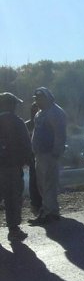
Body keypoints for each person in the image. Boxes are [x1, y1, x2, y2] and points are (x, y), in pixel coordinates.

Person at [28, 87, 67, 226]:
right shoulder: (40, 113)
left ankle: (49, 213)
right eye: (36, 99)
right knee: (42, 184)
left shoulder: (55, 112)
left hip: (49, 154)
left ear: (48, 98)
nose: (37, 101)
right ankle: (49, 211)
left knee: (49, 183)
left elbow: (60, 134)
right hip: (40, 154)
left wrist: (56, 151)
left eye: (40, 98)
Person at [0, 92, 34, 241]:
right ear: (10, 105)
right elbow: (26, 144)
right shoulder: (17, 122)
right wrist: (28, 161)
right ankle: (13, 230)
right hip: (12, 167)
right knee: (12, 198)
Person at [24, 102, 43, 215]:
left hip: (43, 156)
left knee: (43, 181)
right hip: (32, 157)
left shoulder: (43, 123)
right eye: (33, 110)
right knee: (33, 182)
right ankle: (35, 204)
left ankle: (44, 205)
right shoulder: (27, 125)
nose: (34, 112)